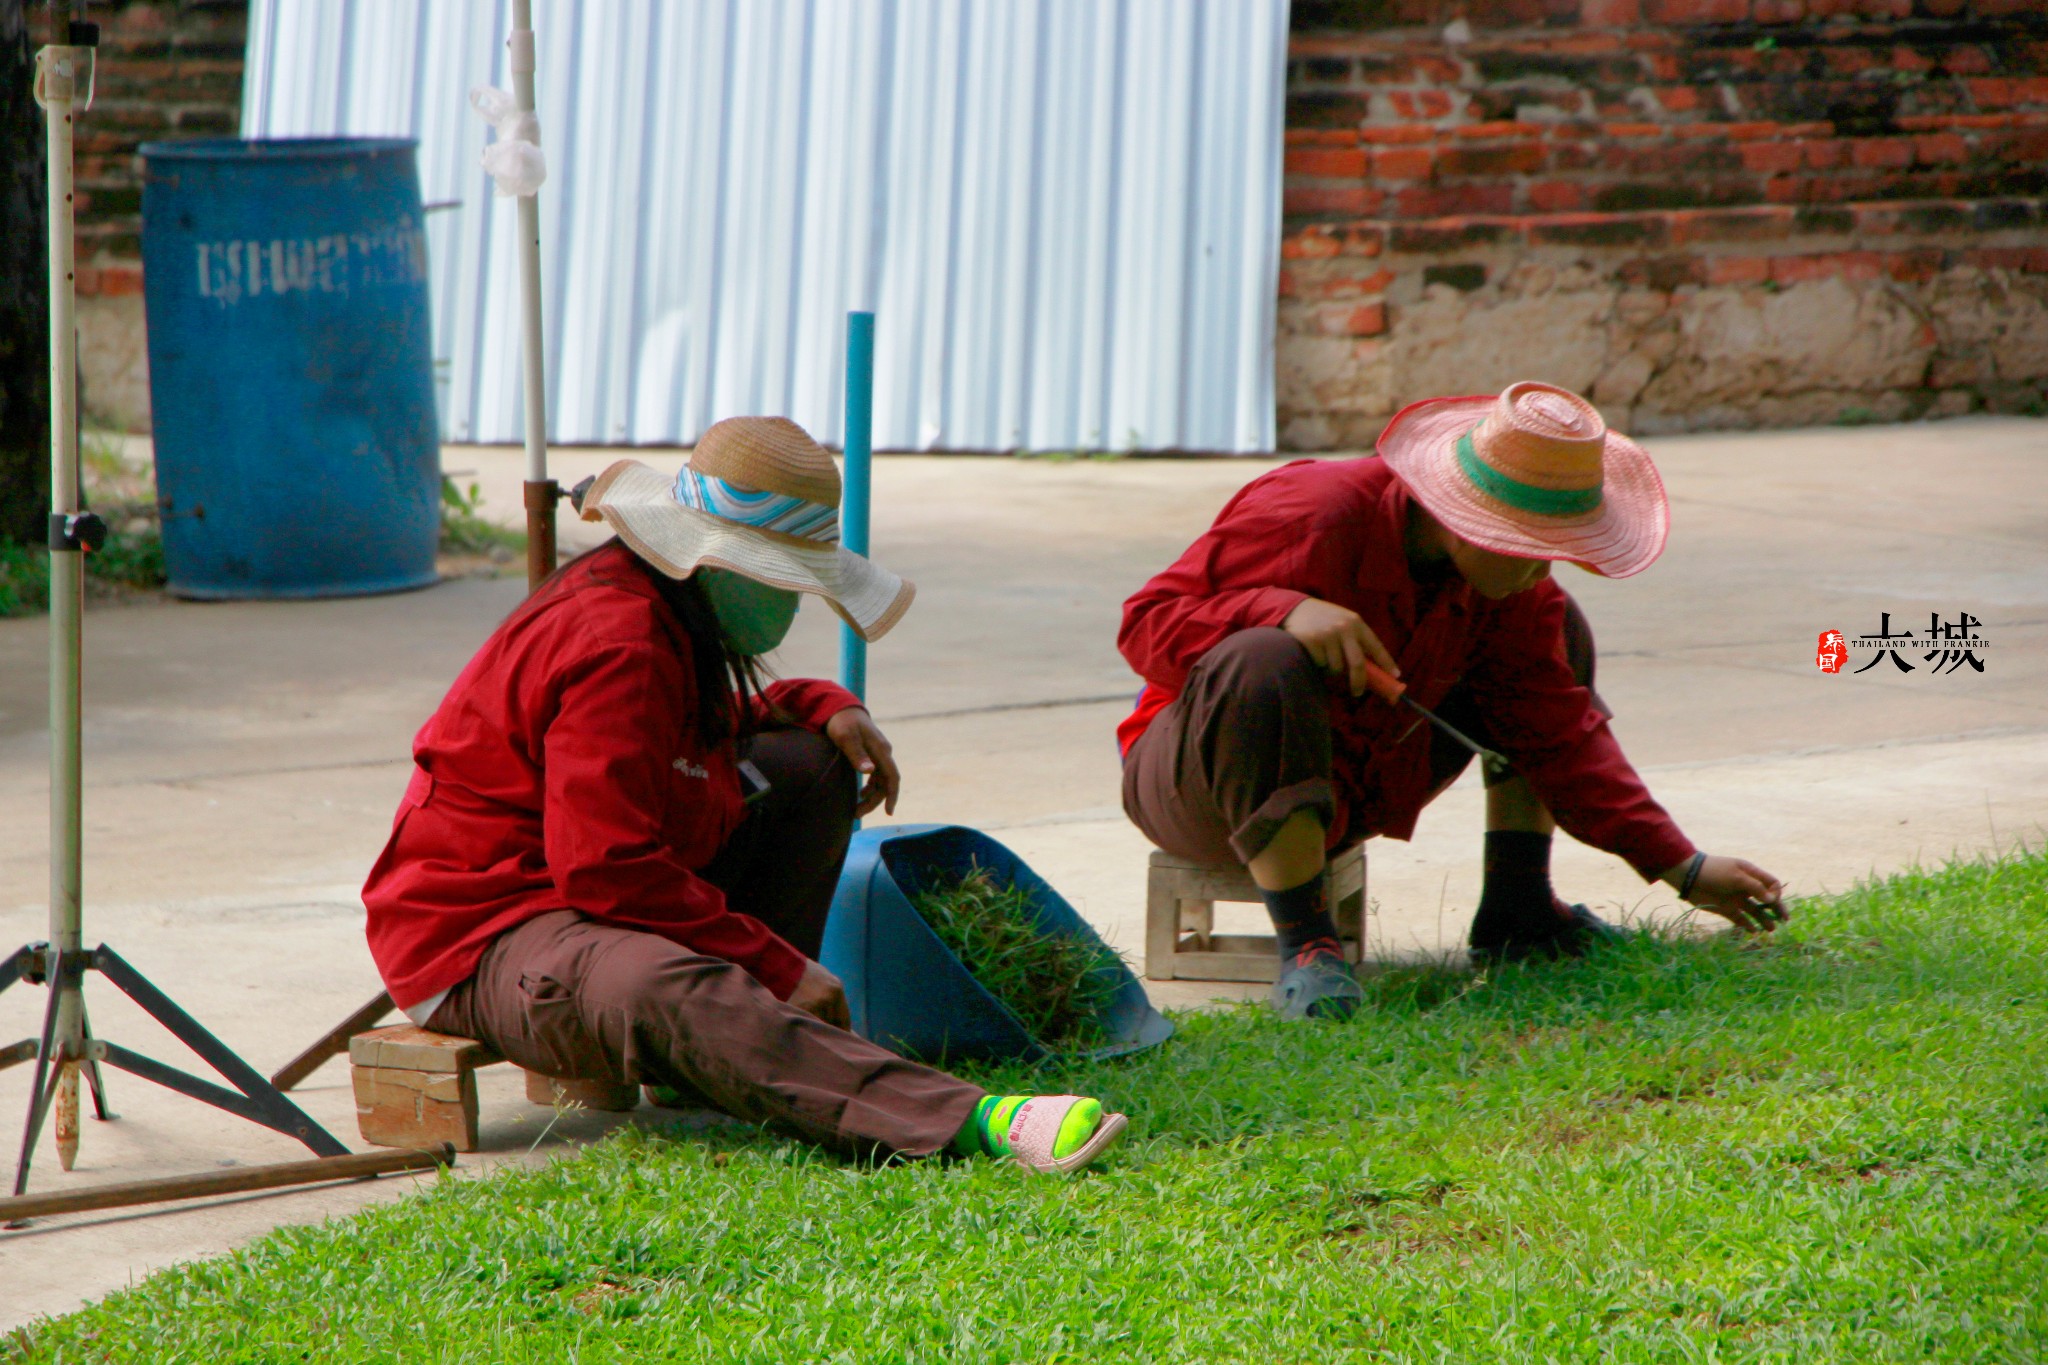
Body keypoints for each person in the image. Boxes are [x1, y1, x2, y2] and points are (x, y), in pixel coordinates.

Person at [362, 416, 1125, 1172]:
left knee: (811, 763)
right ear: (718, 563)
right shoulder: (618, 641)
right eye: (786, 582)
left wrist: (825, 702)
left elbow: (699, 725)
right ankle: (965, 1118)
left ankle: (742, 1045)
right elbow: (606, 869)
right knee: (655, 982)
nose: (795, 605)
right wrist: (777, 964)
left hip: (580, 900)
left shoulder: (661, 608)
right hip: (485, 932)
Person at [1117, 381, 1788, 1022]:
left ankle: (1518, 910)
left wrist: (1682, 865)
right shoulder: (1310, 509)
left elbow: (1560, 734)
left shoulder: (1514, 593)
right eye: (1534, 550)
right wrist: (1282, 608)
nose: (1542, 570)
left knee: (1559, 628)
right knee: (1263, 659)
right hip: (1203, 782)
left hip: (1359, 780)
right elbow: (1145, 622)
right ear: (1473, 524)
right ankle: (1307, 944)